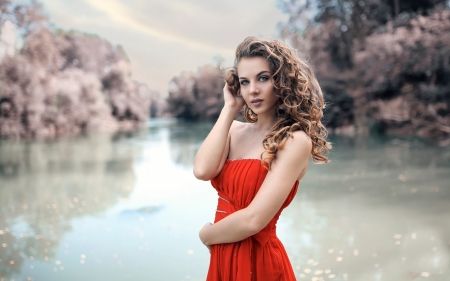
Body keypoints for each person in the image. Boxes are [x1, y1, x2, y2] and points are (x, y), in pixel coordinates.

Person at [193, 36, 331, 281]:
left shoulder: (294, 141)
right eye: (245, 82)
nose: (253, 90)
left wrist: (207, 237)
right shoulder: (233, 130)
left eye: (263, 78)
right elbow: (202, 171)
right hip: (223, 260)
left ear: (282, 81)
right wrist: (229, 109)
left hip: (259, 264)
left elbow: (253, 220)